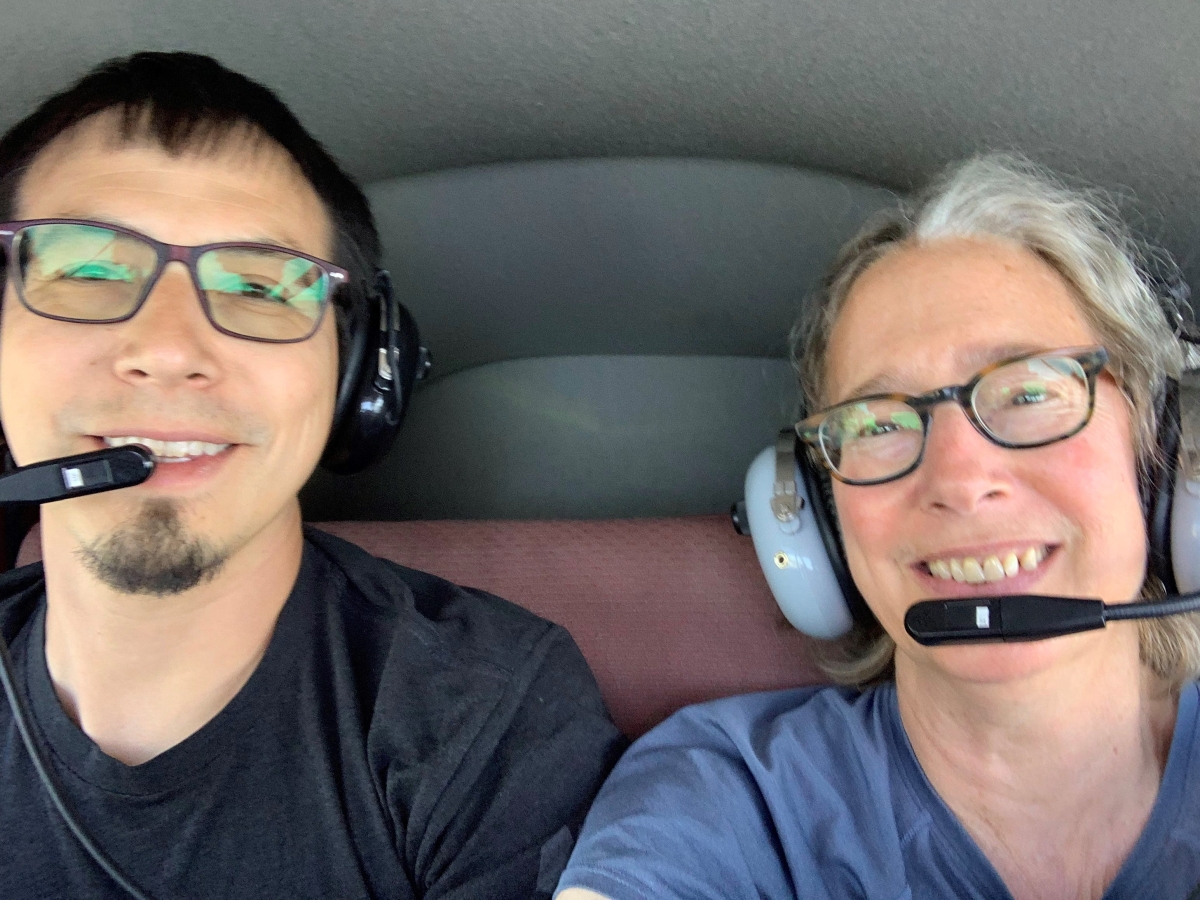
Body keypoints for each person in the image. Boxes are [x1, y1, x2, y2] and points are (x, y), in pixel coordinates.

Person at [0, 52, 624, 899]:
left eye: (261, 287)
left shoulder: (483, 718)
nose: (169, 351)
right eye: (89, 270)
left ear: (361, 375)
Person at [556, 154, 1200, 899]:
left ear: (1161, 451)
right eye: (878, 422)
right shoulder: (733, 798)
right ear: (818, 520)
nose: (961, 480)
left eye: (1029, 391)